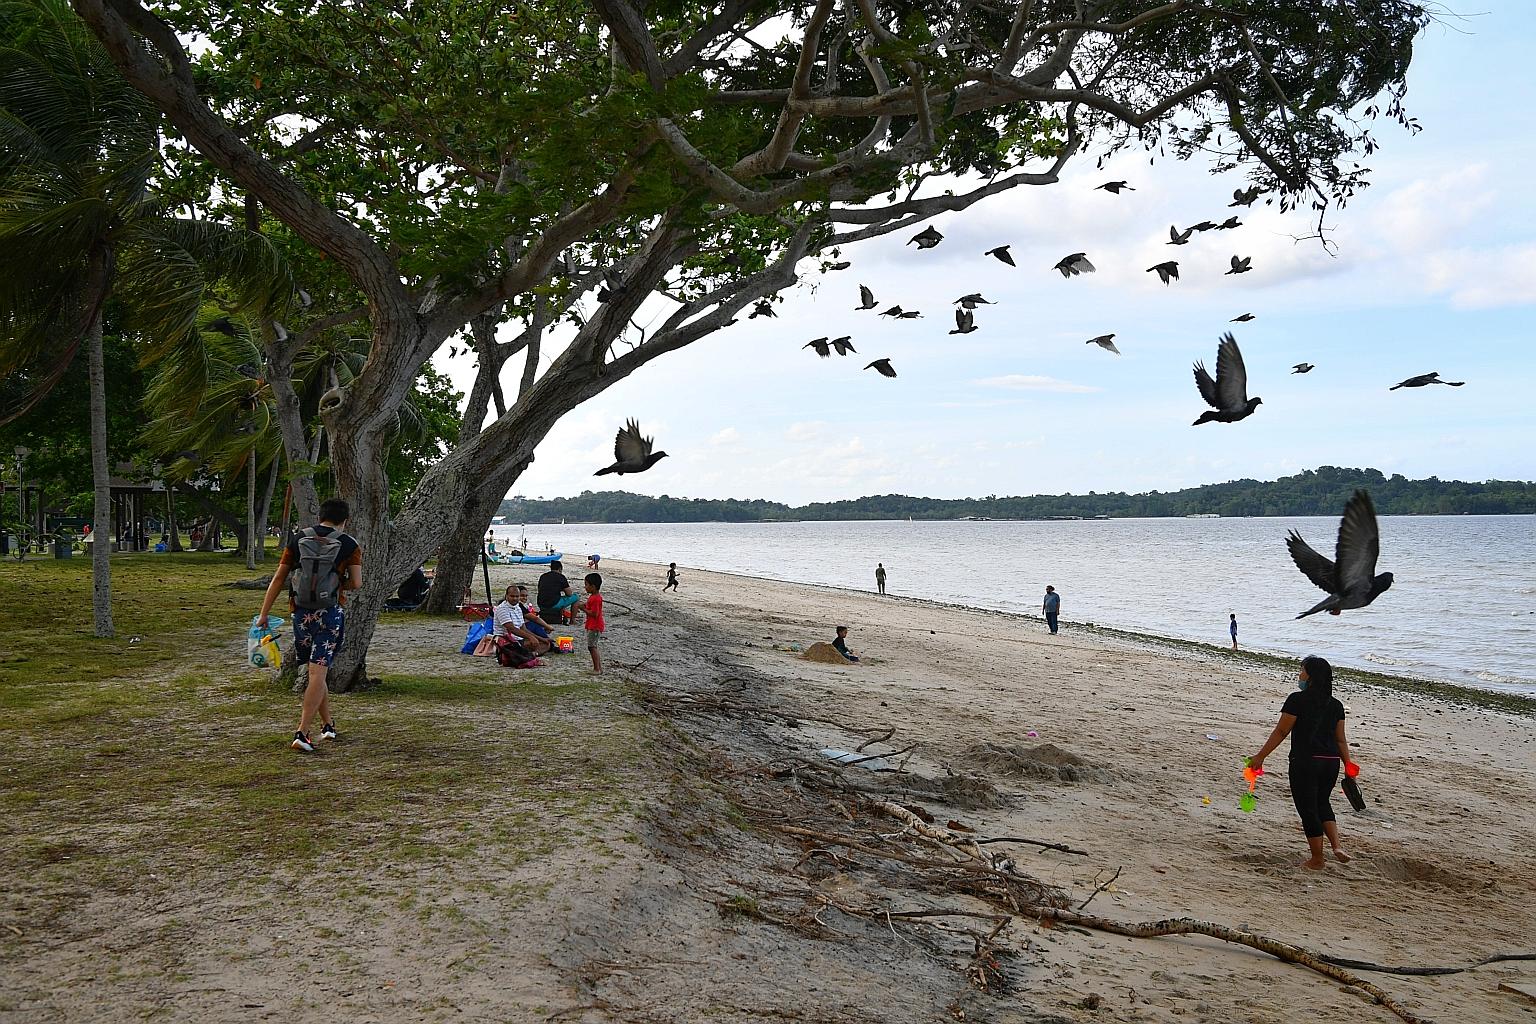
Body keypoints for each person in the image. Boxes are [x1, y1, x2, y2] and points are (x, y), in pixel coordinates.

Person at [257, 498, 362, 753]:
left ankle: (328, 725)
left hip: (301, 614)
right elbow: (357, 583)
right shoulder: (348, 544)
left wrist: (263, 615)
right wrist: (338, 586)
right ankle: (302, 732)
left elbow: (279, 578)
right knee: (319, 672)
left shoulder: (298, 539)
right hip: (329, 615)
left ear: (321, 517)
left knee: (316, 672)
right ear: (344, 520)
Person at [1248, 656, 1355, 870]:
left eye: (1302, 671)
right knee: (1322, 802)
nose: (1299, 675)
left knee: (1308, 809)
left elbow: (1281, 731)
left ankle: (1317, 859)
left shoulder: (1297, 700)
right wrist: (1349, 766)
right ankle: (1336, 846)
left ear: (1311, 676)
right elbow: (1340, 739)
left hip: (1306, 761)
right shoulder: (1335, 705)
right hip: (1331, 762)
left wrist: (1260, 756)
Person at [494, 584, 550, 655]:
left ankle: (531, 654)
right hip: (505, 639)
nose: (514, 598)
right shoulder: (502, 609)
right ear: (506, 596)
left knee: (546, 644)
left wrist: (541, 639)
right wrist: (531, 637)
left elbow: (524, 629)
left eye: (517, 596)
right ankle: (527, 654)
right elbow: (512, 629)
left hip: (518, 638)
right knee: (533, 641)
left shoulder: (518, 607)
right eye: (512, 596)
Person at [580, 572, 605, 674]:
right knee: (592, 646)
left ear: (593, 586)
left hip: (595, 626)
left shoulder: (596, 598)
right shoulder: (593, 597)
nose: (585, 587)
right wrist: (585, 605)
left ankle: (597, 669)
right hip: (592, 625)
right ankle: (598, 668)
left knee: (592, 647)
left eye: (586, 584)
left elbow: (595, 614)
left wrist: (583, 609)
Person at [537, 559, 573, 624]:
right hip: (553, 604)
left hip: (541, 604)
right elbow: (569, 594)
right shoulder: (561, 577)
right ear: (560, 569)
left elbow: (541, 589)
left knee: (558, 597)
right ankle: (572, 621)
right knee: (576, 597)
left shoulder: (543, 576)